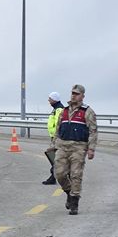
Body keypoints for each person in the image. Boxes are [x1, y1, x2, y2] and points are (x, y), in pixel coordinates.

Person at [54, 84, 97, 215]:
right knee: (59, 174)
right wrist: (54, 144)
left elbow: (93, 131)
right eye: (72, 93)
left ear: (82, 96)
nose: (73, 95)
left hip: (79, 147)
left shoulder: (87, 111)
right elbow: (57, 128)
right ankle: (68, 192)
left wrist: (91, 149)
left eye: (77, 93)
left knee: (76, 175)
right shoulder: (64, 110)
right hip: (62, 145)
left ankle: (74, 202)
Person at [42, 91, 65, 185]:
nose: (48, 100)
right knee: (54, 157)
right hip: (54, 137)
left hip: (57, 138)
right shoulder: (56, 108)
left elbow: (59, 125)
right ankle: (54, 176)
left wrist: (57, 136)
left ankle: (54, 176)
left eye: (50, 99)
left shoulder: (59, 109)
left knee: (53, 156)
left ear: (54, 99)